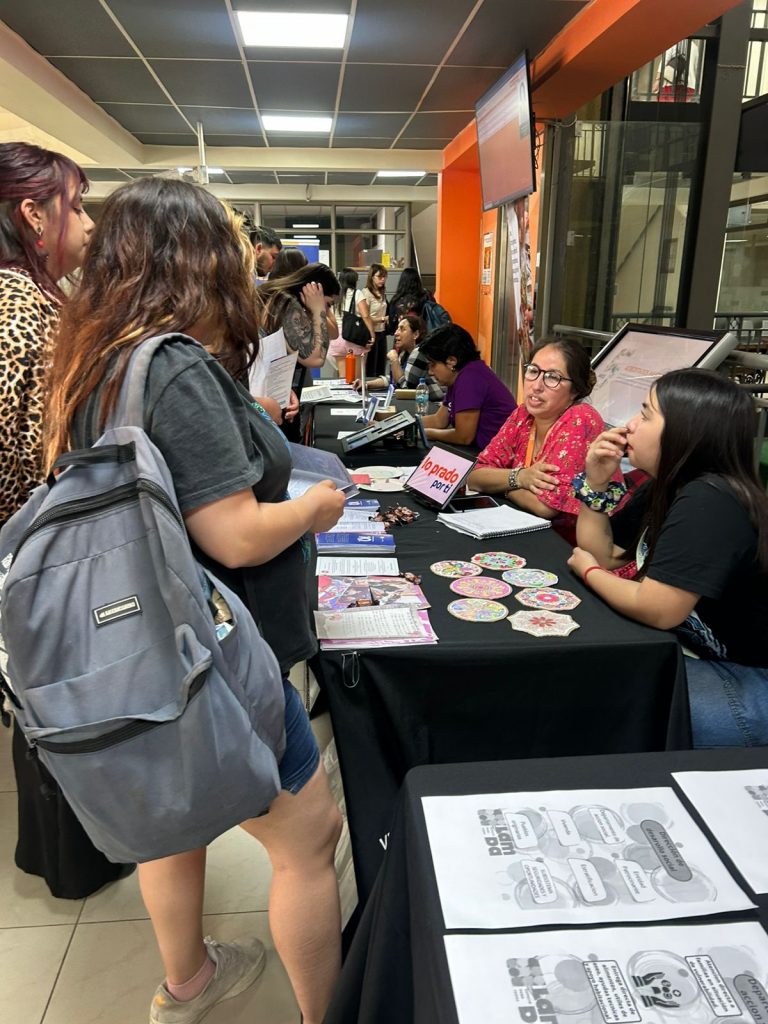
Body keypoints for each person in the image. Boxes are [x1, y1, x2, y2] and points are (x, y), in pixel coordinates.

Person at [43, 177, 345, 1024]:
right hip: (214, 646)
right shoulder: (174, 366)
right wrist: (316, 509)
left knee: (171, 823)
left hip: (137, 646)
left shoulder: (93, 359)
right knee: (309, 836)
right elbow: (238, 535)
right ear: (198, 259)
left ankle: (187, 983)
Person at [0, 141, 132, 901]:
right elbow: (52, 457)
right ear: (32, 213)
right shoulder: (30, 314)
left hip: (23, 552)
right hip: (42, 548)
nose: (85, 225)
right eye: (75, 207)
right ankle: (77, 860)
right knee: (65, 706)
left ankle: (53, 851)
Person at [567, 369, 768, 749]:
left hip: (751, 680)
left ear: (686, 430)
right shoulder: (668, 486)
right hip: (703, 658)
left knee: (606, 693)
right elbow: (605, 554)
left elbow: (658, 608)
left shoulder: (711, 499)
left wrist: (588, 572)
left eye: (646, 414)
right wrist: (595, 484)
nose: (630, 424)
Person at [468, 338, 616, 539]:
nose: (536, 386)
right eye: (533, 371)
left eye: (553, 377)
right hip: (529, 531)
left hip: (574, 542)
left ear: (575, 390)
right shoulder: (523, 414)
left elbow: (545, 506)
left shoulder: (580, 418)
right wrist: (520, 478)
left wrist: (504, 487)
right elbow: (475, 476)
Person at [256, 262, 340, 440]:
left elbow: (333, 334)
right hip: (269, 406)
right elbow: (316, 358)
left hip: (272, 396)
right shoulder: (286, 305)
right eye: (328, 304)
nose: (327, 310)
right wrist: (318, 310)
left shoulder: (279, 299)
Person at [417, 323, 516, 448]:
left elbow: (464, 437)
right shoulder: (458, 376)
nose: (430, 372)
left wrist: (426, 433)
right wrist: (408, 425)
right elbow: (439, 420)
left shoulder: (471, 378)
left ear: (452, 361)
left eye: (433, 365)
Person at [361, 313, 444, 400]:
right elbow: (392, 379)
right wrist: (366, 384)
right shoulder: (404, 353)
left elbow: (405, 388)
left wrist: (394, 360)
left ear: (415, 334)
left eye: (402, 329)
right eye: (397, 329)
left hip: (432, 403)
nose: (396, 333)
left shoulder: (419, 352)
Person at [327, 267, 376, 378]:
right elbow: (365, 316)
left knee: (343, 377)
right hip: (352, 336)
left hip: (337, 338)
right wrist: (372, 334)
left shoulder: (334, 295)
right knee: (356, 378)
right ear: (353, 281)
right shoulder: (357, 294)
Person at [362, 262, 388, 377]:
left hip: (382, 332)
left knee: (381, 366)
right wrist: (382, 319)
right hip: (371, 333)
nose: (382, 280)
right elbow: (365, 317)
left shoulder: (382, 293)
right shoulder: (366, 293)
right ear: (372, 277)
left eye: (384, 277)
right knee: (371, 367)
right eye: (379, 277)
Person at [386, 266, 429, 332]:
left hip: (402, 333)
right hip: (422, 333)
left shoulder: (396, 299)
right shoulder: (425, 296)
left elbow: (392, 323)